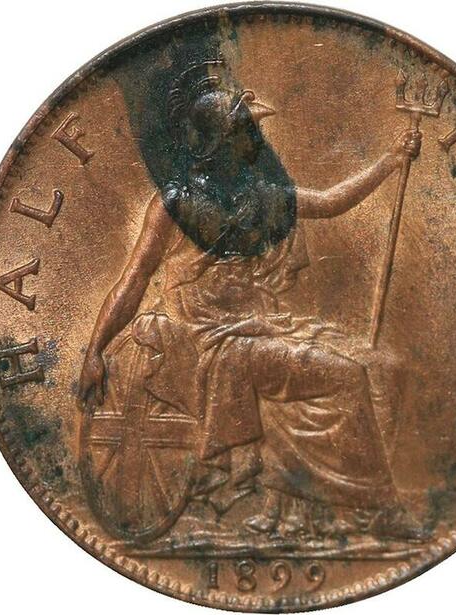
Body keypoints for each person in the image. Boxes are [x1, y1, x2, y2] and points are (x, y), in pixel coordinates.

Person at [79, 61, 425, 541]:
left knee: (384, 366)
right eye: (246, 130)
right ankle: (378, 508)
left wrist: (390, 161)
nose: (256, 140)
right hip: (209, 342)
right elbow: (133, 280)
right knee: (346, 375)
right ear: (220, 141)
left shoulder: (259, 195)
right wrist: (95, 349)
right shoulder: (174, 204)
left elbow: (330, 201)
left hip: (261, 327)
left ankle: (313, 506)